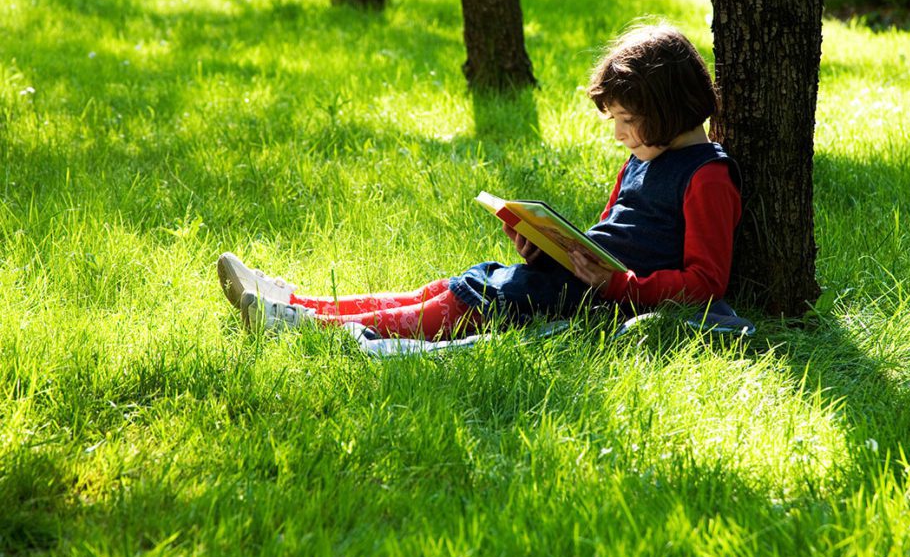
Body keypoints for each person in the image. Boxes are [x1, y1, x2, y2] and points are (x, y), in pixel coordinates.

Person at [219, 21, 742, 339]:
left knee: (457, 306)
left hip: (596, 301)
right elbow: (606, 238)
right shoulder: (642, 159)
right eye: (616, 123)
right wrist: (545, 246)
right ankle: (295, 304)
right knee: (449, 288)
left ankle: (304, 329)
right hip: (573, 283)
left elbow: (705, 282)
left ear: (668, 109)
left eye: (628, 121)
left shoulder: (707, 178)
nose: (620, 136)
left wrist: (619, 285)